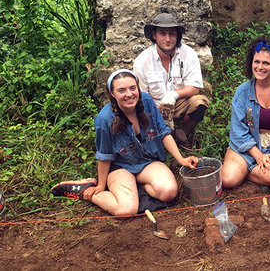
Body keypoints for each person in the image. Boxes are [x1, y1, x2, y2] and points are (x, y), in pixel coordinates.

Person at [51, 69, 198, 216]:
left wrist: (181, 159)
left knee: (169, 192)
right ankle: (85, 191)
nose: (129, 94)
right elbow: (104, 155)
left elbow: (163, 133)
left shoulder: (146, 101)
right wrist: (101, 186)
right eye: (121, 90)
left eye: (132, 88)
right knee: (126, 211)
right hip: (120, 167)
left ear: (138, 88)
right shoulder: (104, 119)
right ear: (112, 93)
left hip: (147, 162)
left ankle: (134, 188)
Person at [221, 37, 270, 188]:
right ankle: (242, 170)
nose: (260, 67)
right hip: (247, 146)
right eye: (256, 62)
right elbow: (237, 130)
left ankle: (244, 172)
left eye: (266, 63)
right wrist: (258, 156)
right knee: (228, 180)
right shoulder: (242, 92)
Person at [133, 13, 209, 149]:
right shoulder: (142, 61)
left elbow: (194, 87)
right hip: (153, 107)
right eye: (162, 33)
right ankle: (167, 136)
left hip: (180, 103)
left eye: (172, 34)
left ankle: (183, 133)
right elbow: (142, 96)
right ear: (154, 35)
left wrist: (172, 95)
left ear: (177, 36)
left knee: (200, 103)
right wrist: (158, 111)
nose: (168, 39)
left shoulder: (188, 54)